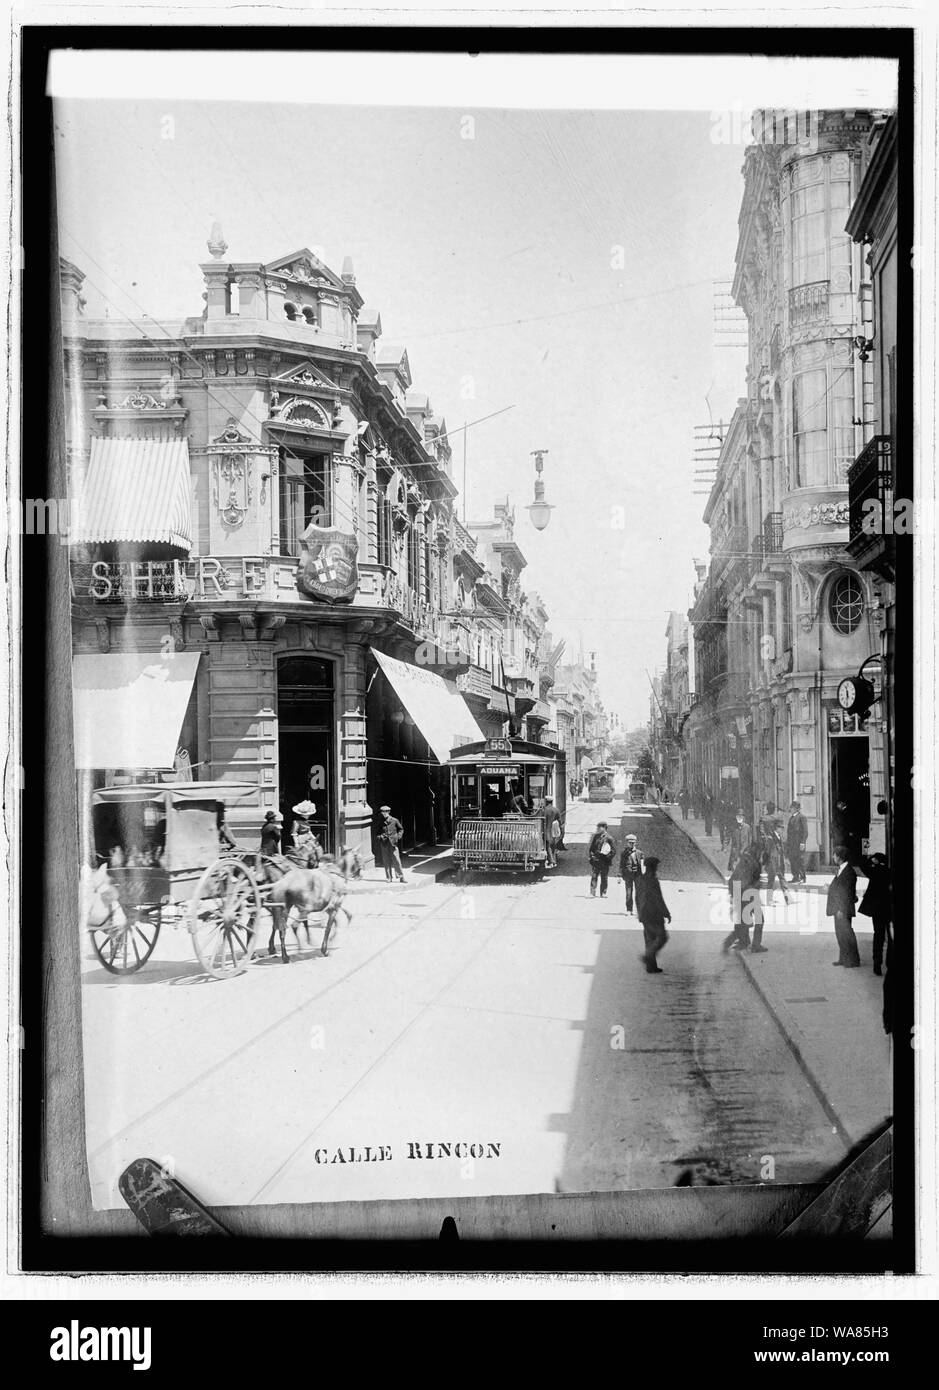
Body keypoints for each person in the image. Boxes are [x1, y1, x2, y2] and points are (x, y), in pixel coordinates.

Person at [723, 843, 766, 954]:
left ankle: (743, 942)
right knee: (759, 919)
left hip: (739, 892)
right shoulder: (754, 863)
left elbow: (732, 880)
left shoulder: (744, 861)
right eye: (761, 854)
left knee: (742, 919)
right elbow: (753, 882)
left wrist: (733, 896)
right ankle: (755, 945)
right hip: (748, 893)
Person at [635, 855, 671, 974]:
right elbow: (658, 899)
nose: (657, 868)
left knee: (650, 939)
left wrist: (639, 913)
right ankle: (648, 957)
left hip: (644, 914)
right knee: (662, 937)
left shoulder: (639, 879)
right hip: (654, 914)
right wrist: (666, 913)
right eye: (656, 866)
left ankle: (651, 967)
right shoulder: (653, 880)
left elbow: (637, 898)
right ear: (652, 867)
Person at [827, 844, 860, 967]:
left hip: (843, 909)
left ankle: (852, 960)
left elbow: (847, 893)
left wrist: (841, 909)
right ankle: (843, 958)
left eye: (834, 855)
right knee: (840, 934)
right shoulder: (843, 869)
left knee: (846, 934)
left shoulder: (848, 872)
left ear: (840, 857)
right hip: (839, 908)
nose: (833, 857)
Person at [859, 852, 891, 976]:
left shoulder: (875, 871)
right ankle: (889, 962)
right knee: (890, 937)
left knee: (878, 935)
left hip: (878, 909)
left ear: (876, 860)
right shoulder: (888, 871)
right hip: (889, 908)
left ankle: (877, 963)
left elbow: (862, 866)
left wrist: (869, 859)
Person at [758, 801, 790, 905]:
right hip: (776, 851)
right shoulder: (778, 818)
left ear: (767, 808)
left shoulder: (763, 819)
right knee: (779, 876)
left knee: (773, 877)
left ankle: (774, 899)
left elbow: (761, 834)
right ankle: (785, 898)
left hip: (770, 850)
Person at [377, 804, 406, 882]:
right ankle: (389, 877)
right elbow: (377, 832)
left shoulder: (394, 820)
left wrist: (398, 837)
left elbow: (401, 829)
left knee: (396, 860)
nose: (384, 813)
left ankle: (401, 877)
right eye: (382, 811)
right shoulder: (380, 821)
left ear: (389, 812)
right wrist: (380, 837)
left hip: (393, 843)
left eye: (386, 811)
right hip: (384, 843)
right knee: (386, 860)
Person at [587, 821, 616, 898]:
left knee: (604, 877)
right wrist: (592, 857)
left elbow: (613, 851)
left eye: (599, 827)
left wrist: (607, 858)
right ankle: (592, 893)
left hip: (605, 861)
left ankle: (603, 893)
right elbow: (592, 848)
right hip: (596, 860)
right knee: (594, 876)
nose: (597, 829)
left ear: (604, 827)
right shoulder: (596, 837)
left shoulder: (609, 838)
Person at [618, 834, 644, 915]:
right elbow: (621, 865)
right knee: (629, 893)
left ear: (636, 843)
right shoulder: (624, 853)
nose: (632, 844)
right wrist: (619, 876)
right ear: (627, 843)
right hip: (628, 875)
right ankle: (629, 910)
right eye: (630, 843)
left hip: (638, 875)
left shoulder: (640, 853)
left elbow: (643, 865)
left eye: (633, 842)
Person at [290, 800, 321, 866]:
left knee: (315, 850)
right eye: (307, 815)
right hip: (301, 839)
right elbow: (294, 833)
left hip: (308, 839)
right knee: (303, 854)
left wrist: (314, 838)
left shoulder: (306, 822)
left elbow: (309, 831)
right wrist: (296, 843)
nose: (308, 816)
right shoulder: (296, 822)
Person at [785, 800, 809, 883]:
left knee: (799, 860)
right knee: (792, 860)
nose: (790, 809)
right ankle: (795, 877)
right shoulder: (791, 818)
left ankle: (803, 877)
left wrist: (803, 842)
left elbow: (805, 831)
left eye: (792, 807)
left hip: (799, 844)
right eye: (791, 807)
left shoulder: (802, 817)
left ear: (797, 809)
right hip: (791, 844)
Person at [542, 797, 562, 868]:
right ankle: (553, 861)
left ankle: (552, 861)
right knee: (553, 845)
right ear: (552, 802)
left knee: (548, 846)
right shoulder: (556, 810)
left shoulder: (543, 810)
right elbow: (560, 821)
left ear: (546, 802)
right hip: (553, 831)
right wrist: (560, 831)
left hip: (546, 831)